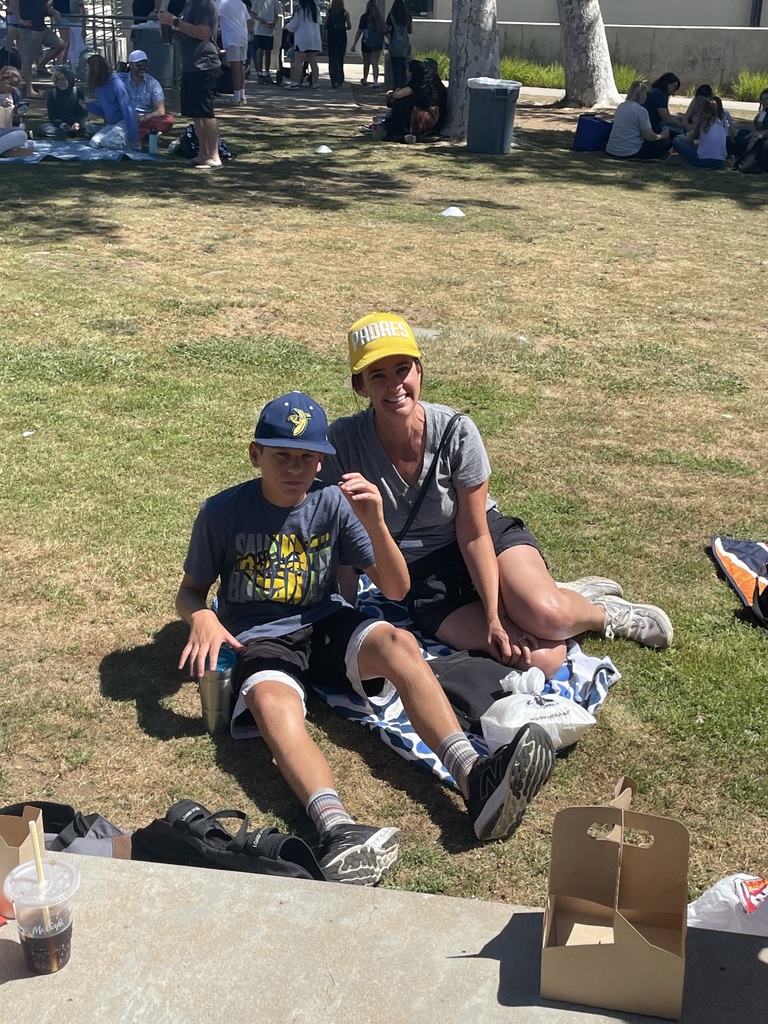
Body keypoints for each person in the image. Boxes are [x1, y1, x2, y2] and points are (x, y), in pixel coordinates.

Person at [176, 391, 556, 882]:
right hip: (260, 636)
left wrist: (375, 521)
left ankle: (474, 776)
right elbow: (189, 593)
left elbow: (396, 588)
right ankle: (337, 830)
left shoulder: (332, 503)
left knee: (401, 644)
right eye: (281, 457)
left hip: (326, 620)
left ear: (322, 462)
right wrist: (202, 616)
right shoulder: (223, 512)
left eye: (308, 459)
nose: (295, 470)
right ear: (255, 455)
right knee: (273, 705)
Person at [320, 313, 674, 678]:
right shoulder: (342, 442)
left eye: (402, 369)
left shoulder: (455, 431)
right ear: (359, 386)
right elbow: (342, 540)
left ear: (420, 371)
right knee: (542, 659)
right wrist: (345, 615)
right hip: (423, 575)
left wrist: (494, 615)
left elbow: (473, 533)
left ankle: (602, 614)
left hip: (483, 537)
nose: (394, 384)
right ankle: (545, 595)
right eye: (377, 375)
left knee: (548, 615)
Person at [159, 0, 222, 169]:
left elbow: (203, 32)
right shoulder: (190, 4)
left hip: (205, 66)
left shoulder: (204, 4)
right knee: (196, 113)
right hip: (191, 66)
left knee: (206, 112)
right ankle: (203, 154)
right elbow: (188, 32)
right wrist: (171, 30)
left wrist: (175, 21)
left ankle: (214, 156)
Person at [366, 59, 439, 142]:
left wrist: (393, 93)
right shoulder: (421, 82)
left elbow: (398, 95)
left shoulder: (418, 83)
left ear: (412, 72)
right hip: (422, 114)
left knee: (400, 104)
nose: (406, 71)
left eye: (408, 69)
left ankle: (398, 132)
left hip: (425, 116)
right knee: (400, 103)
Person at [606, 80, 674, 161]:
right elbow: (649, 136)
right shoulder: (641, 110)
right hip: (630, 152)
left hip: (611, 149)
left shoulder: (621, 106)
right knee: (666, 142)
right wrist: (662, 136)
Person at [10, 0, 65, 97]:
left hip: (41, 26)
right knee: (28, 60)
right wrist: (19, 19)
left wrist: (54, 12)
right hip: (29, 28)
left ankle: (41, 66)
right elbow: (13, 2)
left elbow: (45, 6)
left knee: (60, 45)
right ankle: (29, 90)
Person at [120, 49, 175, 142]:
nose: (142, 67)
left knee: (168, 120)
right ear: (130, 65)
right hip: (126, 118)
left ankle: (139, 133)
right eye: (139, 65)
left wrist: (145, 118)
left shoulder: (153, 83)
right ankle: (146, 133)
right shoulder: (121, 82)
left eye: (145, 64)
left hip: (147, 119)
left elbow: (160, 111)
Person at [86, 53, 140, 149]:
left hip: (124, 123)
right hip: (112, 124)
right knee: (94, 143)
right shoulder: (99, 87)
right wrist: (87, 106)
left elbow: (128, 111)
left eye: (88, 69)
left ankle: (132, 145)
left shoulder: (116, 84)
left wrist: (134, 138)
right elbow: (104, 112)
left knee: (107, 142)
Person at [38, 64, 96, 137]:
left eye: (64, 79)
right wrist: (63, 125)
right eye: (58, 80)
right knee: (43, 128)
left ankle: (80, 132)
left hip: (78, 124)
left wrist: (78, 124)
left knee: (92, 128)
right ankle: (67, 134)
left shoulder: (79, 92)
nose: (61, 82)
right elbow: (53, 117)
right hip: (60, 126)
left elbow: (83, 115)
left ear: (69, 79)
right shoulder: (52, 94)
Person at [673, 96, 727, 169]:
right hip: (720, 162)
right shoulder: (720, 124)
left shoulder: (704, 124)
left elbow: (692, 139)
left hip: (702, 161)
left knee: (676, 140)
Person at [215, 0, 249, 105]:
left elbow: (212, 16)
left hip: (231, 38)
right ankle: (242, 95)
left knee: (234, 67)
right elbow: (247, 20)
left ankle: (237, 96)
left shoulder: (221, 3)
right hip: (243, 36)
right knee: (240, 66)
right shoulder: (240, 3)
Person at [284, 0, 321, 90]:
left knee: (298, 61)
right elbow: (319, 21)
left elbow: (294, 24)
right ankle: (315, 82)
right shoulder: (315, 8)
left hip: (302, 38)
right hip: (314, 38)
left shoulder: (300, 9)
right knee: (313, 61)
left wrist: (286, 26)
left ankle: (295, 82)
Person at [351, 0, 385, 89]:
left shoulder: (364, 17)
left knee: (366, 62)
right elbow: (384, 30)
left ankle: (365, 79)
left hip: (366, 43)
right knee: (375, 63)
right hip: (377, 43)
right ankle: (375, 82)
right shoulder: (379, 18)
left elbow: (359, 31)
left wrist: (354, 44)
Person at [643, 71, 684, 136]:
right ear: (667, 84)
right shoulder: (659, 94)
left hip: (650, 125)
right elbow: (667, 119)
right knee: (681, 132)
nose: (673, 93)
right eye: (674, 88)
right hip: (653, 127)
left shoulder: (655, 91)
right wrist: (686, 126)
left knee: (679, 119)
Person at [250, 0, 281, 84]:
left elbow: (277, 15)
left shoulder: (274, 1)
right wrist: (260, 20)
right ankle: (260, 74)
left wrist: (274, 23)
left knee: (268, 52)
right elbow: (252, 13)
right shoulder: (257, 1)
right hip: (259, 30)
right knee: (260, 52)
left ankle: (267, 74)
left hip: (269, 31)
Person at [385, 0, 411, 90]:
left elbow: (385, 29)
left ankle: (397, 86)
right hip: (404, 45)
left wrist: (389, 34)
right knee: (404, 65)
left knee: (395, 65)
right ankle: (404, 84)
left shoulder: (391, 15)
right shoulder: (407, 16)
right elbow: (410, 30)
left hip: (394, 44)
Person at [325, 0, 350, 89]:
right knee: (340, 58)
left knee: (332, 59)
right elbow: (349, 26)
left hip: (331, 37)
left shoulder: (329, 12)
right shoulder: (345, 12)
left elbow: (325, 25)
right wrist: (343, 27)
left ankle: (334, 80)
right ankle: (340, 79)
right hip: (341, 37)